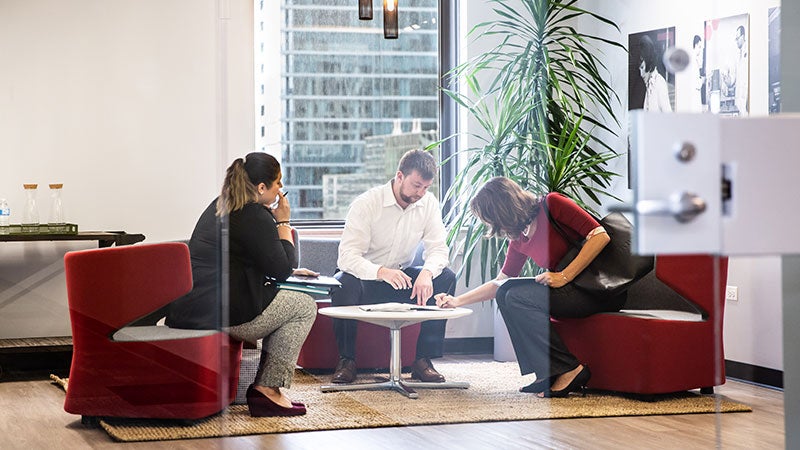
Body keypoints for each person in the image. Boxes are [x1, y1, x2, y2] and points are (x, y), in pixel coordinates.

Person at [434, 177, 627, 398]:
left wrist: (563, 276)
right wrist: (457, 300)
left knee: (516, 296)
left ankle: (569, 369)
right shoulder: (518, 237)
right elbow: (501, 281)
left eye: (492, 219)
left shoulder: (552, 204)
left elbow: (600, 236)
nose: (492, 226)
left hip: (597, 291)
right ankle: (547, 373)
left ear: (504, 209)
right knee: (507, 293)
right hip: (570, 292)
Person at [166, 152, 317, 417]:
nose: (281, 189)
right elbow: (281, 270)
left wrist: (289, 267)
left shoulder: (223, 205)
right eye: (278, 183)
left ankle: (268, 388)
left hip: (194, 306)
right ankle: (267, 389)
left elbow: (260, 260)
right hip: (225, 310)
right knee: (303, 305)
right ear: (261, 188)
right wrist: (283, 221)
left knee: (288, 299)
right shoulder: (253, 215)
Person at [330, 149, 456, 384]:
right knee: (342, 281)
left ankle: (422, 361)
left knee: (446, 277)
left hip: (401, 281)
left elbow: (438, 249)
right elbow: (347, 257)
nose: (420, 193)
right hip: (366, 282)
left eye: (426, 188)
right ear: (400, 176)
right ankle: (347, 360)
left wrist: (427, 272)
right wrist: (380, 271)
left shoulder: (428, 204)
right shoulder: (367, 204)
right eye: (416, 185)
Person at [638, 35, 672, 112]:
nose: (641, 74)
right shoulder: (647, 85)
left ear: (649, 61)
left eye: (642, 67)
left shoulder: (659, 82)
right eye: (639, 69)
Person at [723, 25, 748, 116]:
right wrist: (726, 80)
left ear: (743, 37)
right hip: (739, 99)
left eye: (737, 38)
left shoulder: (750, 51)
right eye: (735, 39)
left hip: (747, 98)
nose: (736, 41)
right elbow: (733, 79)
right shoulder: (737, 55)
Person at [693, 34, 707, 112]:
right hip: (695, 98)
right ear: (696, 44)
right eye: (699, 47)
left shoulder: (693, 60)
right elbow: (697, 84)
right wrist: (703, 79)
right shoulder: (694, 62)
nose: (700, 49)